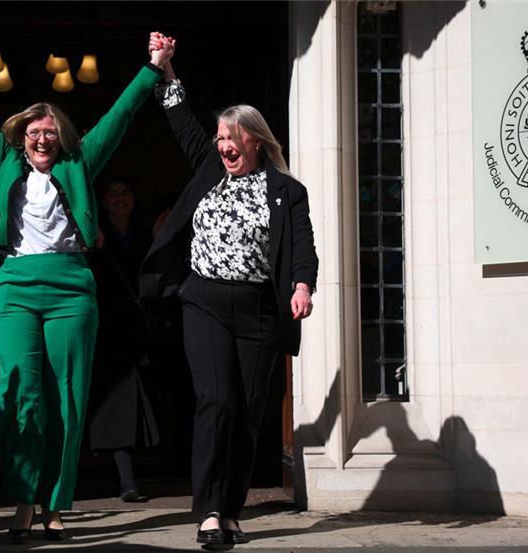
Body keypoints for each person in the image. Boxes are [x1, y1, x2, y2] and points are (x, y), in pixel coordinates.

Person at [0, 30, 174, 542]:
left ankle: (55, 505)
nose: (41, 138)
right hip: (14, 287)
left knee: (68, 400)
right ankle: (23, 499)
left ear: (62, 137)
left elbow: (120, 117)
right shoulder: (2, 158)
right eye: (34, 131)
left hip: (71, 288)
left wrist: (153, 66)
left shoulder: (80, 162)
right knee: (22, 396)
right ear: (20, 136)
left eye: (50, 132)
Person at [140, 34, 318, 547]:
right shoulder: (207, 169)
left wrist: (302, 285)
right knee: (215, 401)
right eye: (219, 138)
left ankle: (233, 507)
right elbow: (181, 120)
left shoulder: (287, 191)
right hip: (205, 301)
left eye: (231, 138)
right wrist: (166, 68)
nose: (223, 146)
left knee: (247, 411)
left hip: (260, 309)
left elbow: (303, 246)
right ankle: (209, 511)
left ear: (255, 141)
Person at [88, 179, 161, 502]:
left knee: (142, 402)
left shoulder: (147, 232)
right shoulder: (93, 233)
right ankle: (125, 479)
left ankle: (126, 474)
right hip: (105, 328)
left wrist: (161, 240)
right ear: (103, 201)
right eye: (113, 192)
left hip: (141, 330)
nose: (120, 198)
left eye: (126, 191)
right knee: (116, 404)